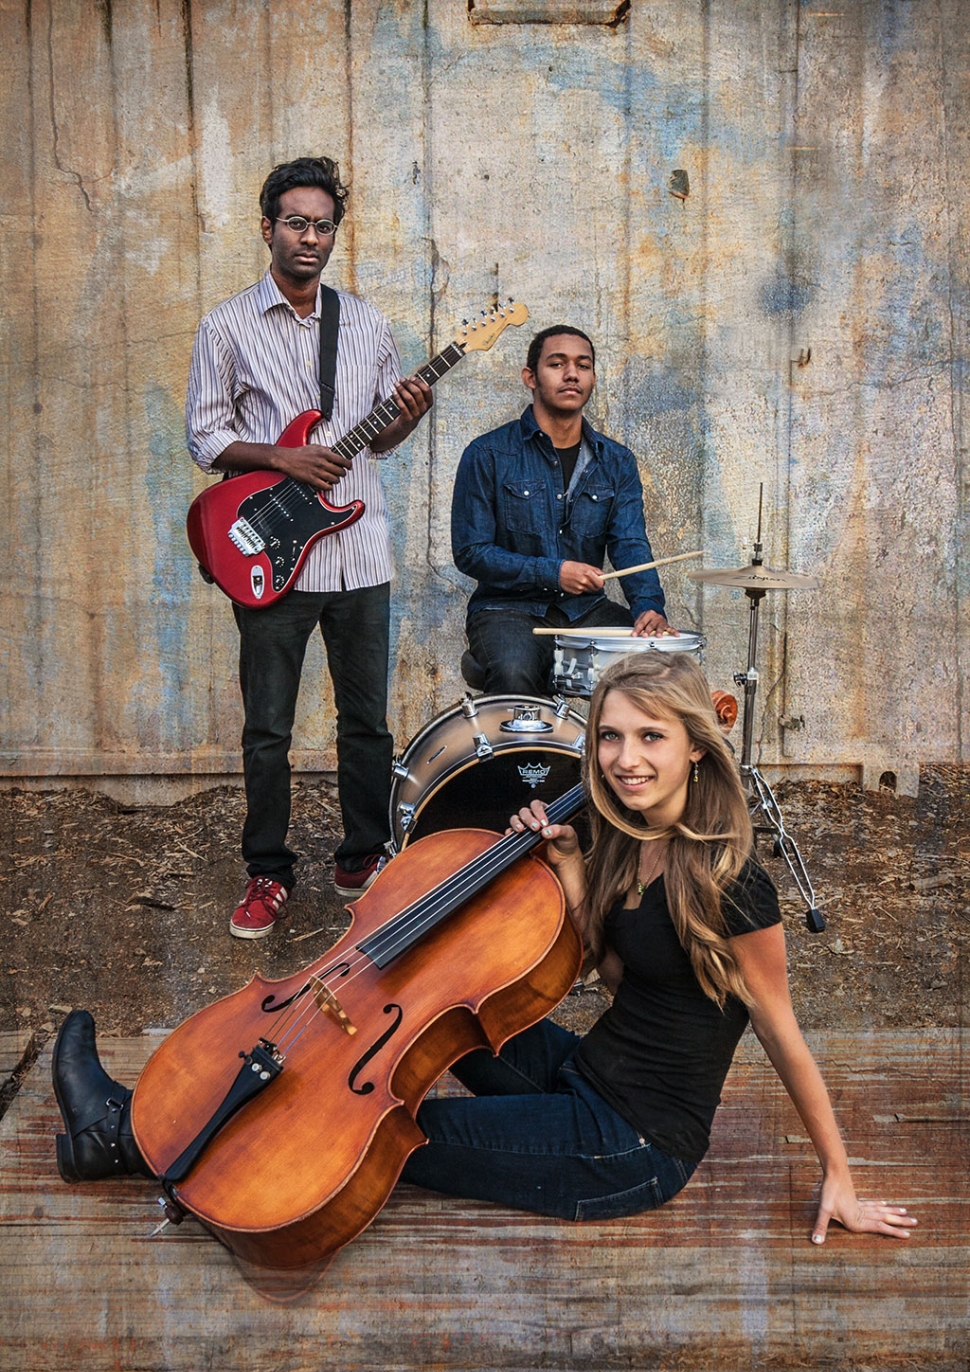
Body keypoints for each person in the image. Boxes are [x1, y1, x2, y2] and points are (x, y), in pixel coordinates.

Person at [51, 654, 916, 1247]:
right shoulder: (623, 839)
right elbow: (619, 979)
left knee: (394, 1132)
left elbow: (782, 1034)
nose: (624, 759)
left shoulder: (737, 884)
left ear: (696, 745)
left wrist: (839, 1175)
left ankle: (123, 1139)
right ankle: (157, 1118)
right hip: (584, 1071)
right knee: (441, 1003)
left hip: (630, 1143)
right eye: (610, 737)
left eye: (651, 737)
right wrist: (573, 874)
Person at [185, 155, 433, 937]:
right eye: (296, 222)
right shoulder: (226, 325)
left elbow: (382, 442)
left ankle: (362, 854)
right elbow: (204, 434)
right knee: (269, 726)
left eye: (324, 225)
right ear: (268, 229)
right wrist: (282, 457)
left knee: (367, 723)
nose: (311, 237)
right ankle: (268, 870)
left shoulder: (364, 323)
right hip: (269, 559)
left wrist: (411, 412)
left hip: (359, 553)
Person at [451, 325, 674, 698]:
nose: (572, 373)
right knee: (513, 672)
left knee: (661, 665)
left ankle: (618, 756)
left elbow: (630, 542)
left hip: (586, 611)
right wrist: (554, 573)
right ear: (530, 378)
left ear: (593, 378)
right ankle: (522, 760)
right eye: (557, 363)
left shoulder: (616, 462)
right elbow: (471, 552)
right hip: (508, 610)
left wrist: (648, 607)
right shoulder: (487, 453)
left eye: (583, 365)